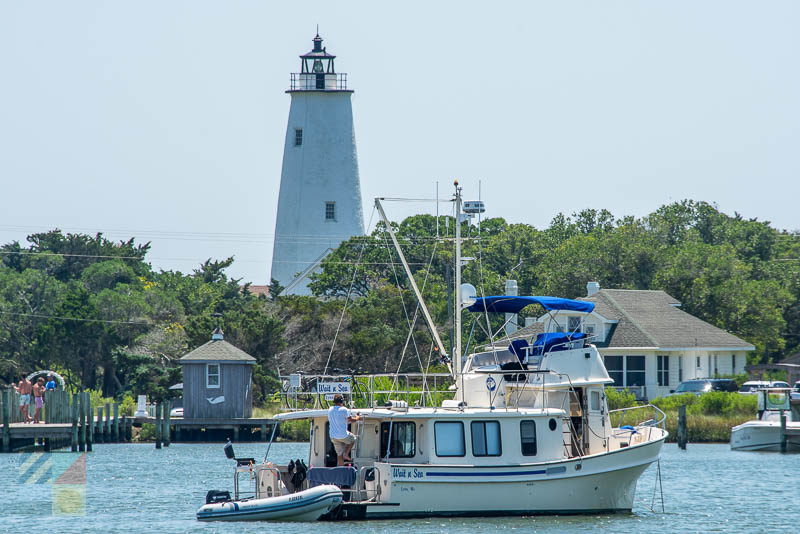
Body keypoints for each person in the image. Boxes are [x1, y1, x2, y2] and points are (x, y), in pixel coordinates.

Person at [327, 394, 361, 466]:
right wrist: (358, 417)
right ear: (342, 401)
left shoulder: (330, 409)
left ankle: (341, 470)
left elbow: (339, 420)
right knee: (353, 439)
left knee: (339, 455)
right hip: (343, 435)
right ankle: (346, 453)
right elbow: (351, 420)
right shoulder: (344, 409)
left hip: (333, 436)